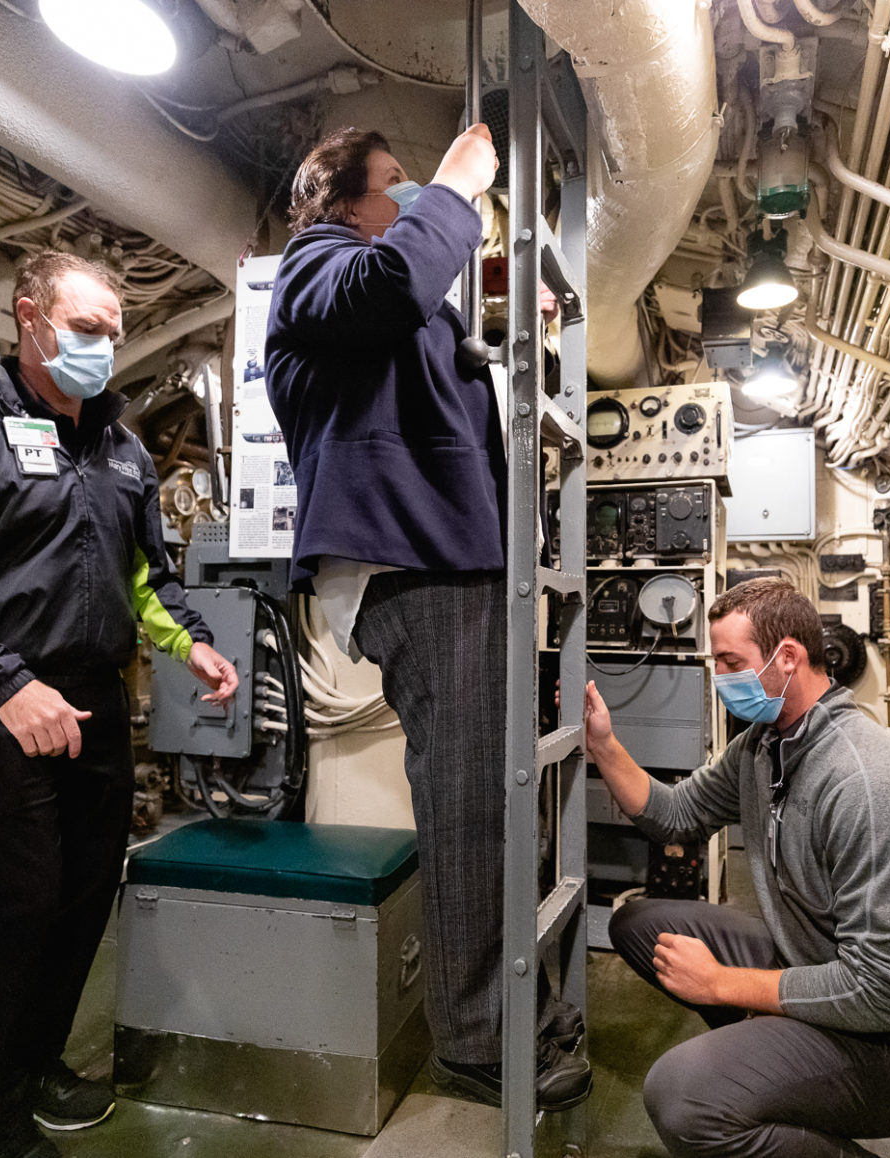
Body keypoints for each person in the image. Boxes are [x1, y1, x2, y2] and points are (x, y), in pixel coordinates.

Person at [0, 250, 237, 1158]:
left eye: (112, 332)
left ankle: (37, 1063)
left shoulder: (122, 449)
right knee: (17, 906)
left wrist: (187, 643)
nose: (103, 348)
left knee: (81, 901)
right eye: (84, 329)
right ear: (27, 317)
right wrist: (7, 684)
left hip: (95, 704)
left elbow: (143, 575)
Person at [264, 124, 590, 1109]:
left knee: (493, 790)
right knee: (468, 798)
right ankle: (480, 1036)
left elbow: (441, 358)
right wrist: (453, 187)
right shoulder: (317, 264)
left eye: (416, 185)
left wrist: (504, 325)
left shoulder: (406, 304)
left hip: (456, 557)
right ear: (341, 201)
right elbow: (389, 292)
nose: (409, 198)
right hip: (410, 565)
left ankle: (511, 1008)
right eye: (395, 184)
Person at [586, 577, 890, 1157]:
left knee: (681, 1094)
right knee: (641, 927)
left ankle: (768, 1096)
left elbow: (880, 993)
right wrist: (605, 746)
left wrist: (719, 983)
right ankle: (770, 1064)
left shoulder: (867, 783)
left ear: (788, 658)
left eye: (732, 662)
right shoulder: (766, 745)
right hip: (811, 963)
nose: (721, 679)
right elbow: (677, 816)